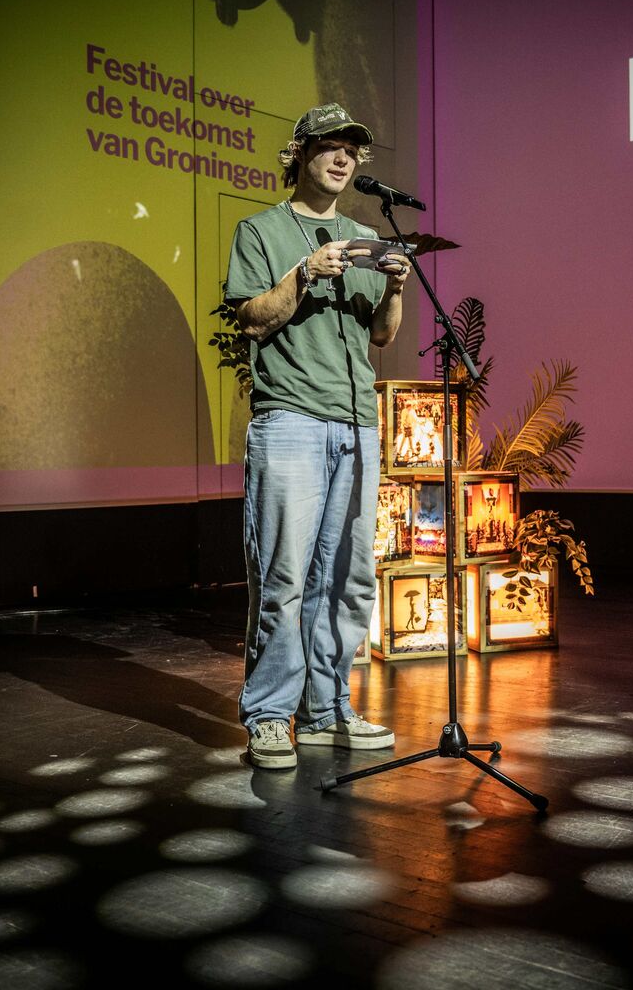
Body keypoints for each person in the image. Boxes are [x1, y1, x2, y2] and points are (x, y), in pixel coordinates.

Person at [225, 103, 411, 769]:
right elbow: (252, 319)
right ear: (300, 153)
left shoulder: (363, 236)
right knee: (284, 575)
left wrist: (394, 288)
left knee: (349, 580)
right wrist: (305, 273)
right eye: (330, 146)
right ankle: (270, 716)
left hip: (357, 422)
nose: (342, 159)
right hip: (291, 421)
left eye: (352, 151)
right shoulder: (261, 230)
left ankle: (328, 710)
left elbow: (381, 335)